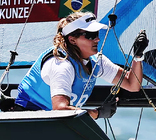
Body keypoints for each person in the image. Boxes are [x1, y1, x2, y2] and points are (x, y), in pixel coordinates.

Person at [13, 11, 149, 119]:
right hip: (28, 122)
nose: (97, 39)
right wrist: (97, 113)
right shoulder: (61, 65)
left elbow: (132, 84)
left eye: (96, 33)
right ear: (72, 40)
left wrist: (138, 56)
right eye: (90, 35)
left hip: (54, 124)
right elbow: (60, 109)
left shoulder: (96, 60)